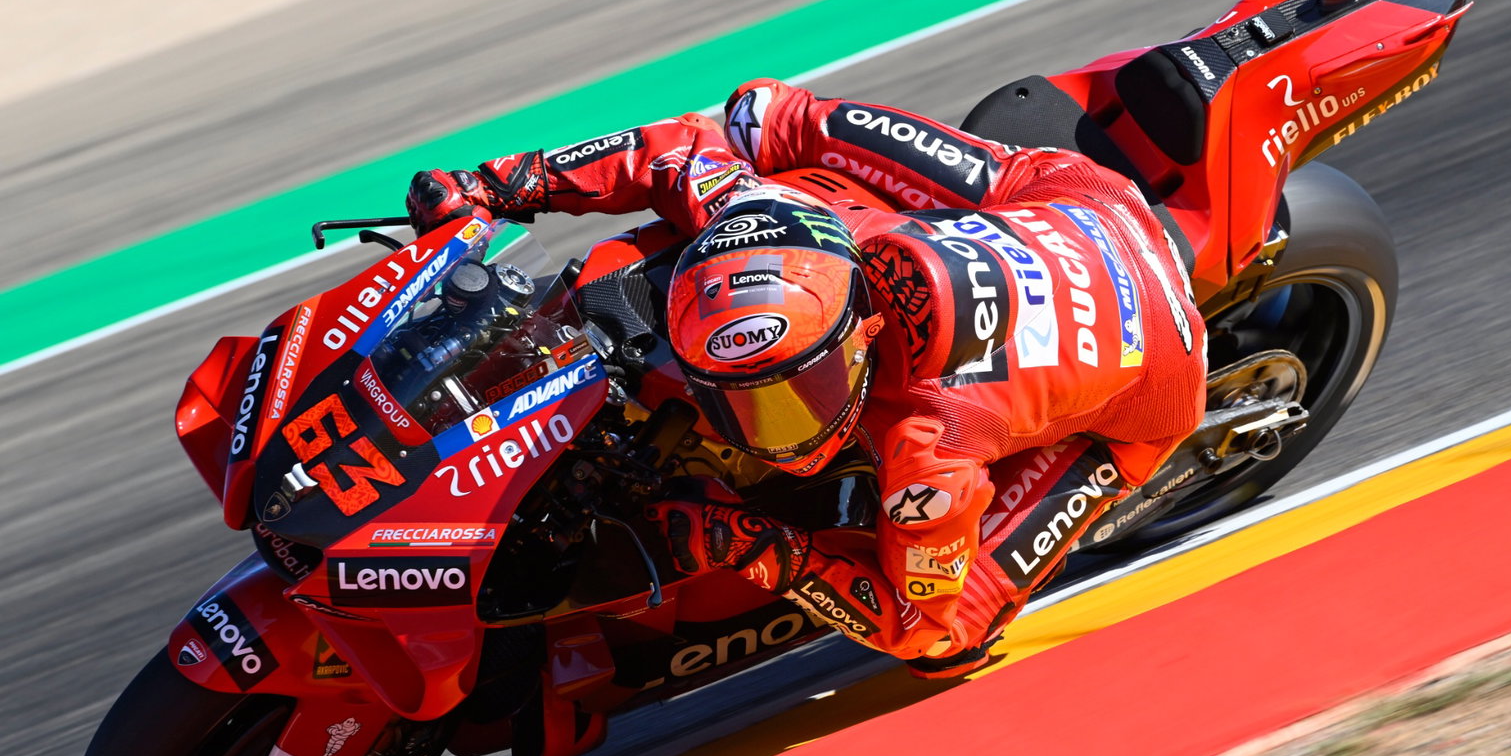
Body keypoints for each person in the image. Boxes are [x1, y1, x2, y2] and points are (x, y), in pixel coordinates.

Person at [406, 78, 1208, 677]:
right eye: (736, 399)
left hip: (1152, 360)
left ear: (857, 337)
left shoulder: (930, 451)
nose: (762, 427)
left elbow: (919, 619)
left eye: (792, 395)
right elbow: (678, 149)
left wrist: (756, 542)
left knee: (947, 646)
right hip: (1055, 203)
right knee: (763, 114)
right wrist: (498, 186)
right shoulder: (767, 223)